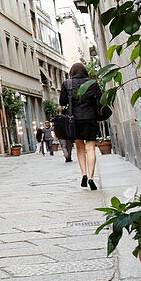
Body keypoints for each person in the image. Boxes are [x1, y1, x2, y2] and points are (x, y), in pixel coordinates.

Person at [60, 62, 102, 190]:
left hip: (74, 121)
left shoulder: (67, 84)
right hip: (90, 119)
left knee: (79, 148)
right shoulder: (93, 83)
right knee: (90, 148)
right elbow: (99, 101)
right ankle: (91, 178)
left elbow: (62, 102)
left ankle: (83, 174)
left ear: (72, 72)